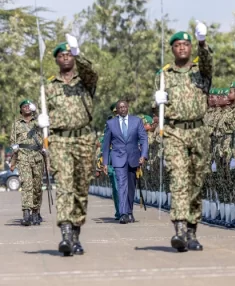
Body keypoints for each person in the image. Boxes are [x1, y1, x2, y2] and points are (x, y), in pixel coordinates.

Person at [154, 20, 213, 252]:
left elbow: (208, 60)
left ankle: (192, 230)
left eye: (185, 45)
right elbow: (156, 108)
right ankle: (179, 229)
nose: (181, 48)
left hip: (198, 131)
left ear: (190, 48)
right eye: (177, 45)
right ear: (172, 49)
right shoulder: (164, 76)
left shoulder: (201, 72)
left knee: (197, 182)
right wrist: (157, 99)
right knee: (179, 179)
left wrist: (202, 41)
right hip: (174, 131)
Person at [37, 34, 98, 256]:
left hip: (83, 139)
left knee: (81, 189)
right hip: (60, 140)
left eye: (68, 54)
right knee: (64, 186)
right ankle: (65, 233)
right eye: (61, 55)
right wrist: (41, 122)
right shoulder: (49, 87)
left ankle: (75, 233)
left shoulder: (86, 83)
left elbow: (91, 72)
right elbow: (43, 115)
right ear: (56, 60)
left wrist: (77, 51)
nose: (65, 58)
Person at [102, 100, 148, 224]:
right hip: (118, 159)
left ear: (128, 108)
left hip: (133, 158)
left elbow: (144, 139)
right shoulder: (111, 124)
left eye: (124, 107)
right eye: (120, 107)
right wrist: (105, 162)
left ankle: (129, 211)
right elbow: (105, 145)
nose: (122, 109)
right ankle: (123, 213)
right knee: (122, 185)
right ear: (116, 110)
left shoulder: (136, 121)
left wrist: (143, 155)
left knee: (131, 187)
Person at [10, 100, 44, 226]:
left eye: (29, 106)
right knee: (26, 185)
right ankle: (26, 213)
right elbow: (13, 143)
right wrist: (13, 161)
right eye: (24, 106)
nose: (27, 108)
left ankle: (36, 212)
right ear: (21, 110)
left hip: (37, 157)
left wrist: (37, 110)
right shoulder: (16, 124)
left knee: (37, 186)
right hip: (23, 157)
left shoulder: (37, 122)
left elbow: (45, 121)